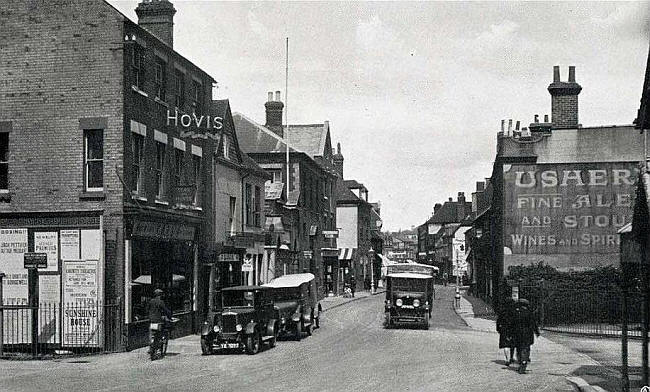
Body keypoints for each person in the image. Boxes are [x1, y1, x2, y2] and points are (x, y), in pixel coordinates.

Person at [511, 298, 540, 374]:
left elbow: (512, 324)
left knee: (519, 348)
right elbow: (533, 323)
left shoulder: (516, 312)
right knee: (526, 349)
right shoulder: (529, 312)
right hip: (527, 333)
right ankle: (523, 364)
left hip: (517, 333)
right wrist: (536, 332)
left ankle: (520, 362)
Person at [496, 298, 516, 366]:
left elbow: (498, 321)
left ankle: (507, 359)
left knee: (505, 344)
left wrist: (498, 329)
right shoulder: (514, 311)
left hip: (504, 329)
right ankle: (511, 357)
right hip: (513, 329)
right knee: (512, 344)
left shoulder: (502, 311)